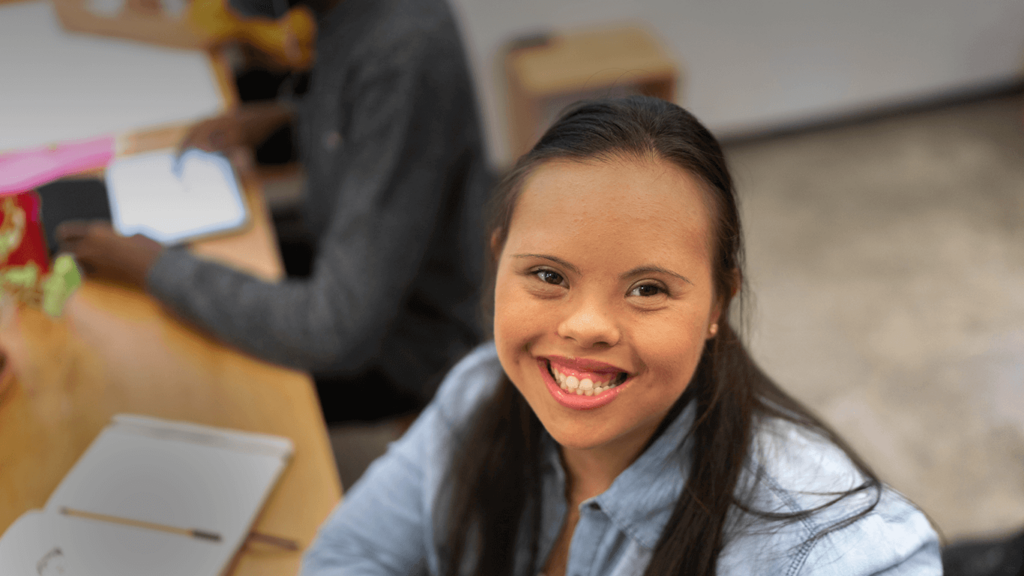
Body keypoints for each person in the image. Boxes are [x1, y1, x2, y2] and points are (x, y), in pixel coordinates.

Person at [299, 96, 942, 576]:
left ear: (720, 301)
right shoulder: (477, 393)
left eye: (648, 289)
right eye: (548, 275)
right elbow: (348, 557)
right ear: (498, 262)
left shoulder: (828, 545)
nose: (585, 326)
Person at [58, 0, 491, 421]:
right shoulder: (351, 15)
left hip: (414, 346)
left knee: (147, 374)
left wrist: (157, 268)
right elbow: (373, 139)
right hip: (369, 284)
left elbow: (333, 333)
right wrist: (290, 125)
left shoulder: (402, 52)